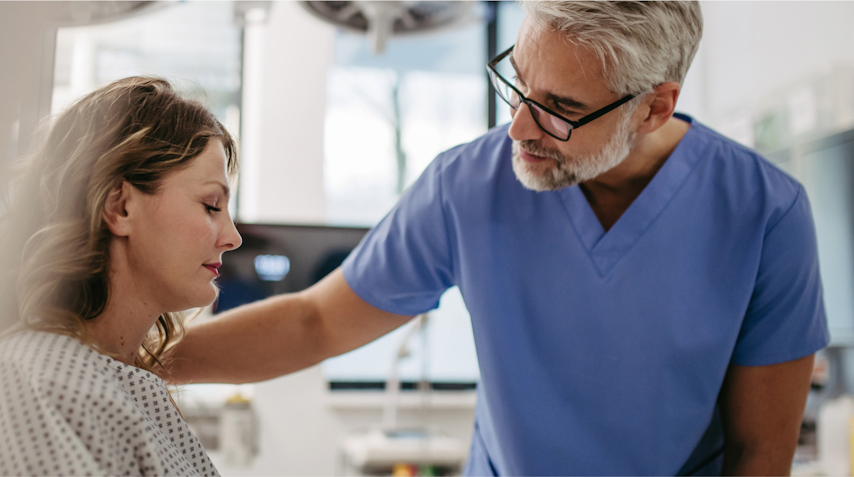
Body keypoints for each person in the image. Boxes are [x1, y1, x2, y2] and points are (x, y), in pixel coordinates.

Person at [162, 2, 829, 475]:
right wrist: (136, 353)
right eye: (518, 83)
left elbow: (760, 455)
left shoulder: (763, 213)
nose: (518, 128)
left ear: (653, 106)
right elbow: (315, 322)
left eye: (561, 110)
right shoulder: (468, 185)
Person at [0, 76, 241, 476]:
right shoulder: (30, 378)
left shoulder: (120, 380)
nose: (233, 237)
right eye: (212, 205)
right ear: (120, 207)